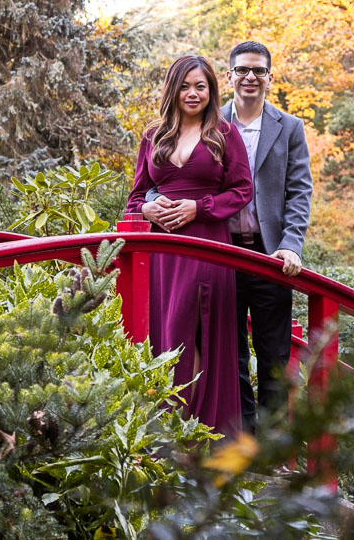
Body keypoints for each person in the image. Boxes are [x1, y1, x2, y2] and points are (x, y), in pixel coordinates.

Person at [143, 42, 313, 433]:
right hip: (218, 252)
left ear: (270, 77)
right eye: (242, 70)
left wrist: (290, 244)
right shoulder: (205, 120)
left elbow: (299, 193)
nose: (250, 77)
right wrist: (153, 201)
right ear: (230, 75)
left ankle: (271, 449)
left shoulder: (288, 128)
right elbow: (155, 181)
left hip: (267, 253)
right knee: (226, 352)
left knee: (273, 354)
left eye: (258, 71)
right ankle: (239, 439)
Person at [126, 55, 253, 436]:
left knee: (193, 327)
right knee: (167, 333)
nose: (193, 93)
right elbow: (134, 200)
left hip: (207, 243)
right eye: (185, 86)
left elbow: (242, 189)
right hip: (162, 251)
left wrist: (199, 207)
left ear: (211, 91)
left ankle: (197, 429)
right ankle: (169, 430)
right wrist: (149, 208)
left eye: (200, 86)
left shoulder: (225, 134)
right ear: (173, 89)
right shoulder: (153, 136)